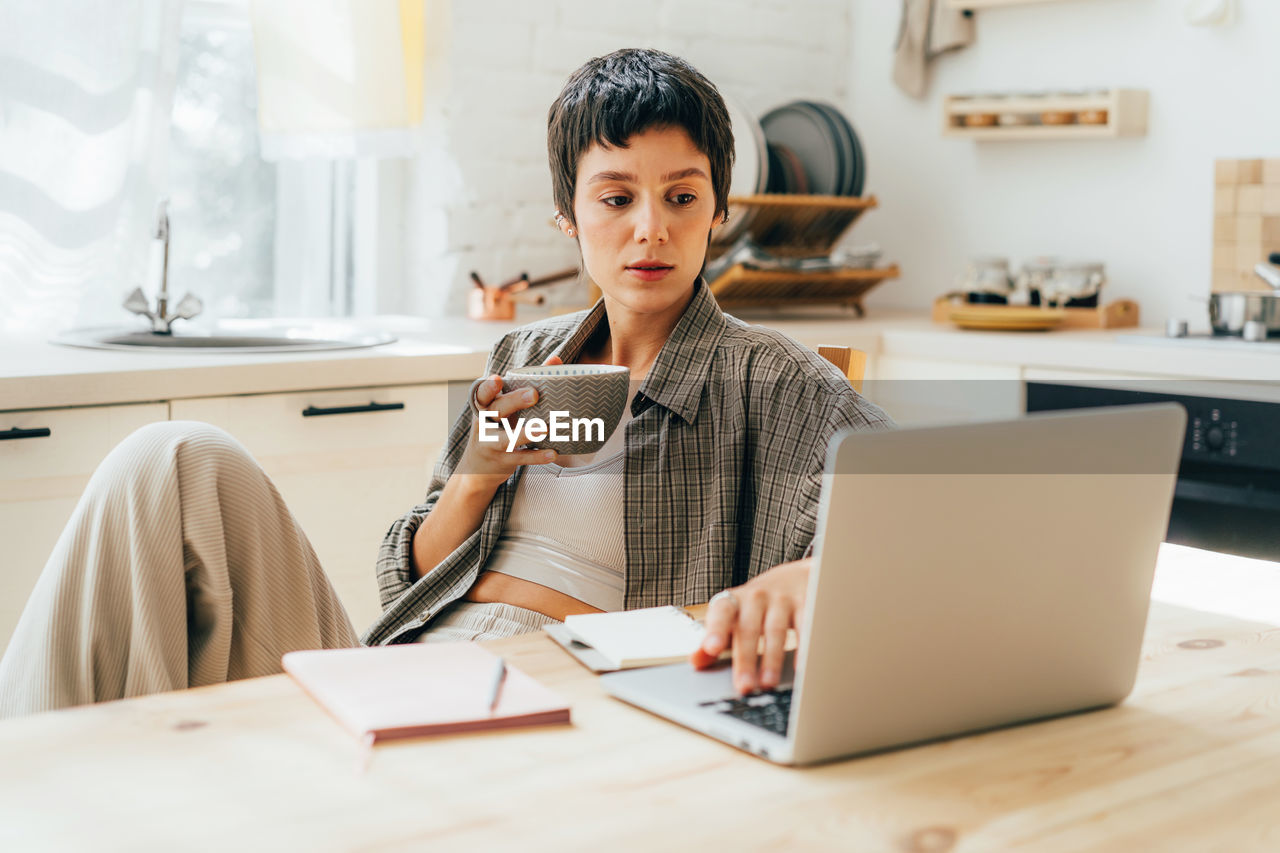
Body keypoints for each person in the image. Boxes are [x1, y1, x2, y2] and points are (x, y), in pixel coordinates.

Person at [0, 48, 890, 719]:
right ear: (570, 217)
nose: (650, 228)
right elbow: (406, 581)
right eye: (616, 198)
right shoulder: (522, 357)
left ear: (719, 213)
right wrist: (477, 476)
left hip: (563, 691)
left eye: (682, 197)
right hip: (407, 660)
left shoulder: (769, 377)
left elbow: (919, 516)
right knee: (171, 460)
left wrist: (811, 576)